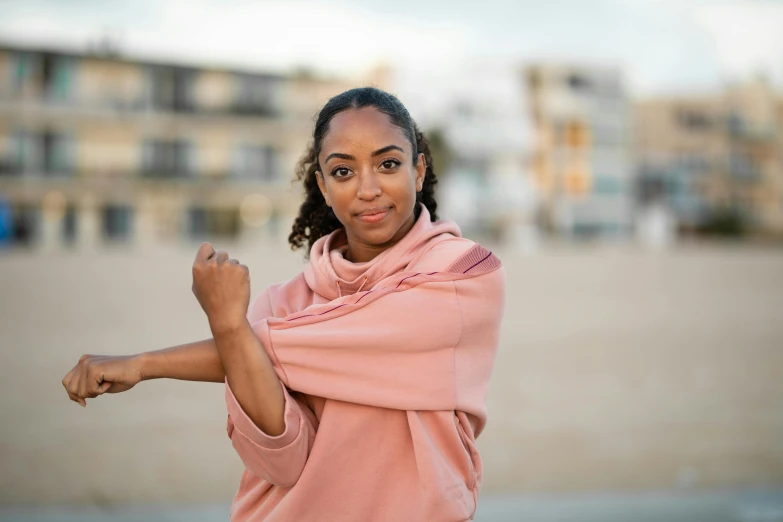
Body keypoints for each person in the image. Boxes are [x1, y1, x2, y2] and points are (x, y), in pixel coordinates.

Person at [61, 87, 506, 521]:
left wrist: (174, 353)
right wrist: (232, 333)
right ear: (323, 186)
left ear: (418, 169)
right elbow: (283, 463)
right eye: (343, 171)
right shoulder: (281, 303)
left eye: (388, 163)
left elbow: (297, 343)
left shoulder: (464, 273)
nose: (368, 188)